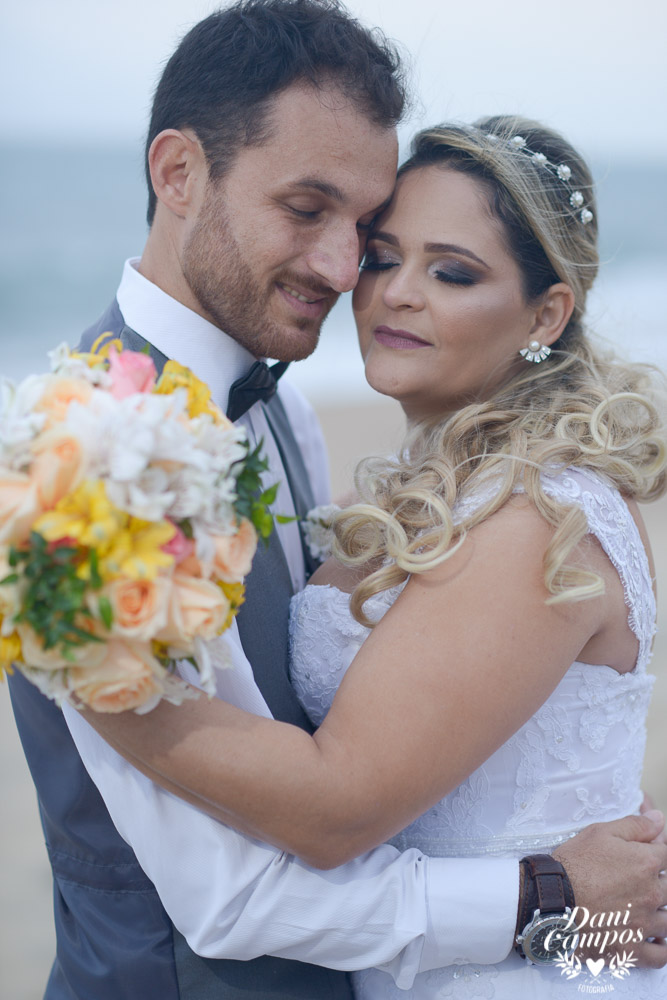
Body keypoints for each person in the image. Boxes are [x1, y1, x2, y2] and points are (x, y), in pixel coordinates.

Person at [7, 1, 666, 997]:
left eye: (362, 228)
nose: (348, 272)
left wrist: (584, 916)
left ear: (545, 314)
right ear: (178, 173)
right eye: (308, 210)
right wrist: (548, 897)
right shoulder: (79, 465)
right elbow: (232, 896)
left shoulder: (293, 415)